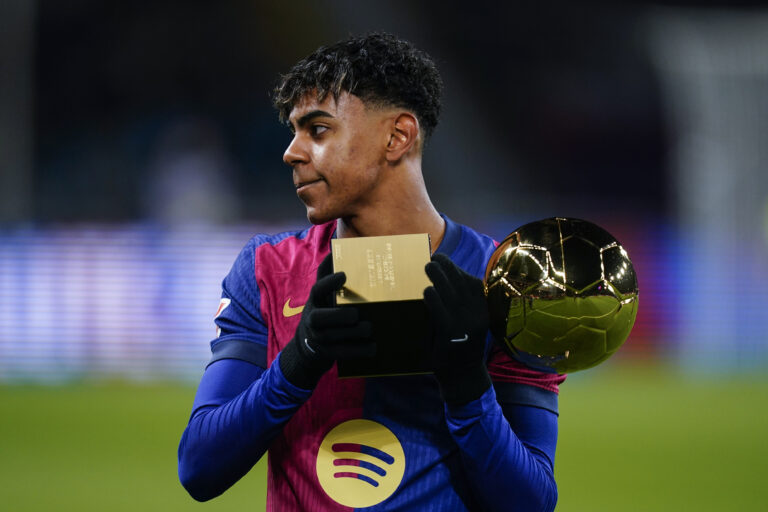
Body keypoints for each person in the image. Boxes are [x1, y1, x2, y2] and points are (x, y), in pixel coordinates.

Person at [178, 33, 565, 511]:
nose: (291, 152)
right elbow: (198, 467)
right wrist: (298, 362)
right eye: (294, 131)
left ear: (397, 137)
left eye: (318, 130)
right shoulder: (266, 269)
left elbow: (531, 502)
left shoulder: (505, 282)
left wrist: (468, 385)